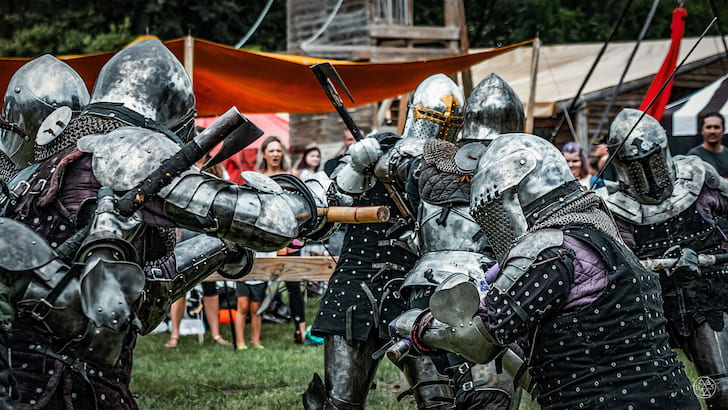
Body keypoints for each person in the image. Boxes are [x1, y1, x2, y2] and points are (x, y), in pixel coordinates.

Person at [0, 38, 337, 409]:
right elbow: (270, 224)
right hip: (74, 383)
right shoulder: (129, 150)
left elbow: (140, 295)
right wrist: (307, 201)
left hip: (23, 373)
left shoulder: (42, 170)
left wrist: (219, 246)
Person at [394, 132, 699, 409]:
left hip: (600, 400)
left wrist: (421, 328)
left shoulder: (546, 249)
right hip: (671, 395)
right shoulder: (603, 228)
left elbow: (485, 337)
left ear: (512, 192)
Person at [305, 74, 474, 410]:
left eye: (450, 124)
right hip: (357, 286)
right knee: (340, 404)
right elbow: (333, 202)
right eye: (436, 121)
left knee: (439, 403)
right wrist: (357, 163)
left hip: (420, 292)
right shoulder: (381, 150)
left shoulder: (460, 166)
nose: (441, 131)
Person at [377, 73, 526, 409]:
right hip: (483, 292)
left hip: (422, 289)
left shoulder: (427, 163)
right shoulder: (522, 167)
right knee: (488, 399)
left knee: (436, 400)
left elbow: (391, 161)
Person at [606, 108, 728, 409]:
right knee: (660, 398)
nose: (647, 172)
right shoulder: (618, 209)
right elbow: (625, 271)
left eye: (652, 161)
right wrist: (669, 271)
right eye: (636, 166)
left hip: (710, 299)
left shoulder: (696, 178)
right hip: (656, 309)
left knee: (722, 390)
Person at [255, 135, 310, 344]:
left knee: (294, 284)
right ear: (265, 154)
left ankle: (300, 330)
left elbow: (304, 205)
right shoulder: (258, 177)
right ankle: (255, 334)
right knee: (260, 284)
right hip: (267, 238)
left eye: (278, 150)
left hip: (291, 237)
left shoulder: (292, 175)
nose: (275, 154)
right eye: (272, 151)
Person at [687, 112, 728, 177]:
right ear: (702, 131)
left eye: (716, 127)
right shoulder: (694, 156)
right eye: (708, 127)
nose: (712, 131)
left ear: (723, 130)